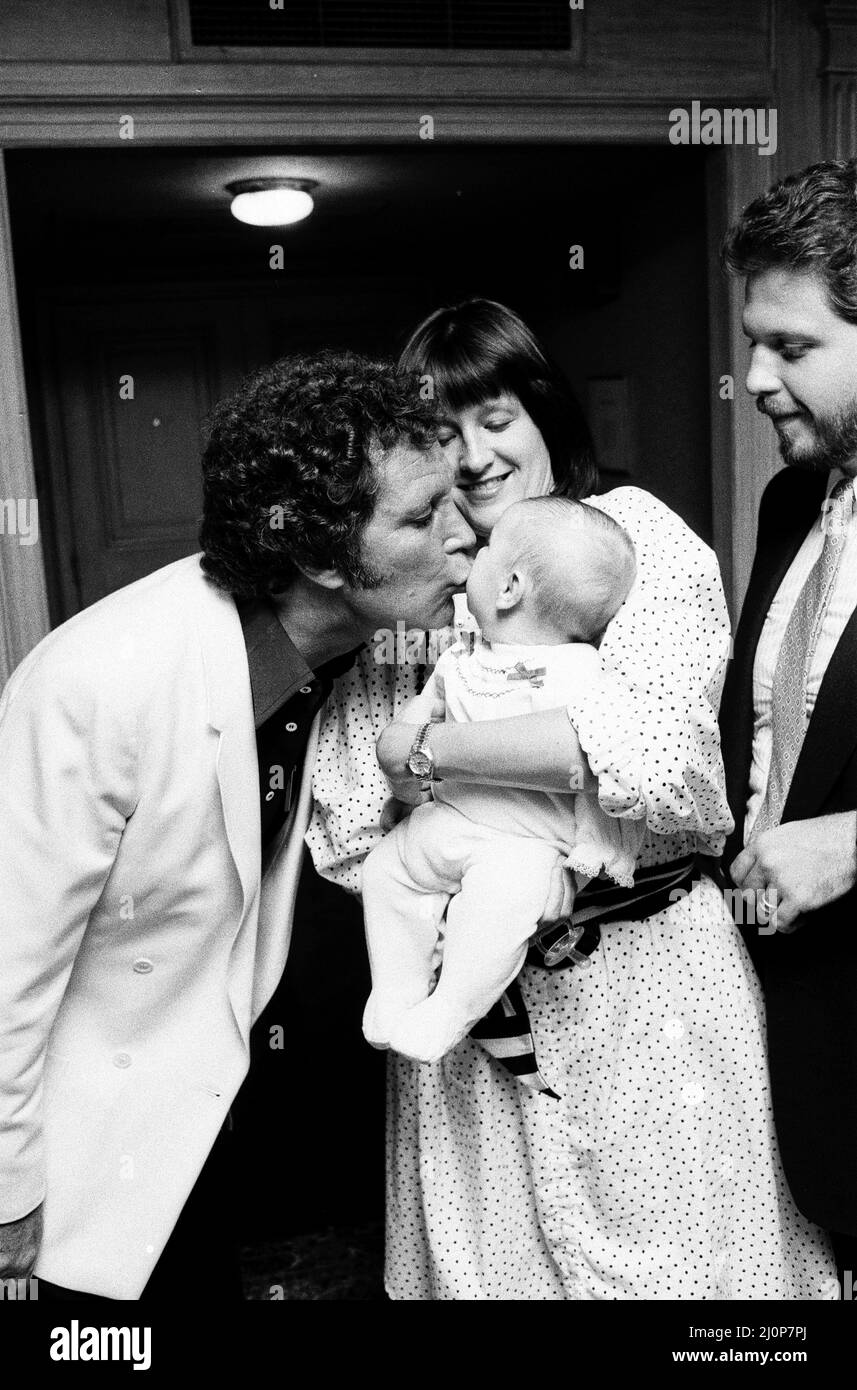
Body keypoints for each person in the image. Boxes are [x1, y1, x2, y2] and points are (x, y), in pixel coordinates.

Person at [307, 299, 838, 1299]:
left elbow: (639, 757)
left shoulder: (628, 543)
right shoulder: (415, 591)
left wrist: (432, 758)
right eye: (437, 431)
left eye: (494, 415)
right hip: (473, 1020)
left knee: (690, 1281)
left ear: (543, 412)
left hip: (646, 983)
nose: (470, 455)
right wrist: (467, 785)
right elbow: (348, 818)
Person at [0, 350, 475, 1300]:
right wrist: (7, 1187)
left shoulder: (369, 657)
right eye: (423, 517)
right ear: (316, 556)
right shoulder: (102, 680)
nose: (466, 534)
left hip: (203, 1132)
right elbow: (10, 954)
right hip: (71, 1160)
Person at [362, 496, 641, 1064]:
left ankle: (449, 1009)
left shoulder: (579, 673)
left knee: (492, 918)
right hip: (448, 820)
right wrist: (405, 788)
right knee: (385, 871)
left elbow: (599, 773)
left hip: (523, 846)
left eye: (486, 551)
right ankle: (398, 986)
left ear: (510, 588)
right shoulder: (462, 657)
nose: (471, 558)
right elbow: (420, 720)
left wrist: (583, 863)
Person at [719, 158, 857, 1285]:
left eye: (793, 348)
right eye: (752, 341)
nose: (754, 375)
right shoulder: (786, 498)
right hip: (793, 1026)